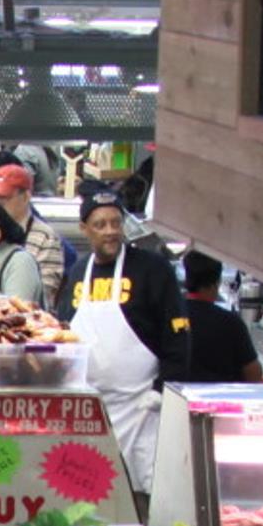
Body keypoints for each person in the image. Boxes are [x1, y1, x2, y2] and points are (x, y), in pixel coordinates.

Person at [62, 185, 187, 499]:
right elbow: (62, 332)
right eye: (100, 225)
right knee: (90, 495)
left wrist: (162, 389)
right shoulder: (78, 273)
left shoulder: (153, 270)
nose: (110, 232)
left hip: (142, 409)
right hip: (90, 410)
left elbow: (178, 338)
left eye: (116, 223)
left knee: (143, 495)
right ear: (84, 229)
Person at [170, 249, 263, 386]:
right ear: (216, 283)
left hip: (178, 398)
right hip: (220, 401)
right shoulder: (230, 323)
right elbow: (254, 374)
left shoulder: (170, 317)